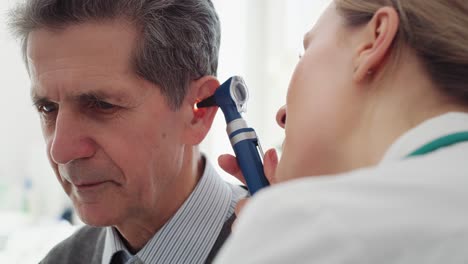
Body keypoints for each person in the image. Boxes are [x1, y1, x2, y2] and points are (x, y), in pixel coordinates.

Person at [215, 0, 468, 263]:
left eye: (305, 53)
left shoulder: (307, 230)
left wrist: (283, 228)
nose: (281, 115)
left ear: (374, 39)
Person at [8, 0, 247, 263]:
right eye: (47, 108)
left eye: (102, 105)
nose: (60, 151)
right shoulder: (61, 260)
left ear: (196, 113)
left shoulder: (285, 250)